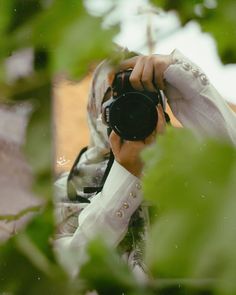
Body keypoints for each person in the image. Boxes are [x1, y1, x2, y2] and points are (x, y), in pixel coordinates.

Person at [54, 49, 236, 279]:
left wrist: (184, 82)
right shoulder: (65, 190)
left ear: (161, 107)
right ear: (97, 111)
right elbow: (64, 273)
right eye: (117, 99)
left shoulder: (195, 176)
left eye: (142, 99)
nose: (132, 112)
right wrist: (126, 178)